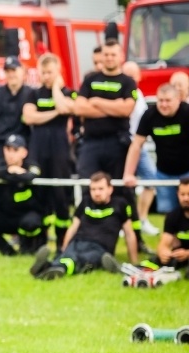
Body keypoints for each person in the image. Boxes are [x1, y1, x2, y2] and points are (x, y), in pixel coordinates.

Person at [73, 39, 146, 252]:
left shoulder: (127, 82)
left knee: (124, 192)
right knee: (88, 189)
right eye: (106, 54)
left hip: (118, 143)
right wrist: (113, 107)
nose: (109, 58)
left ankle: (137, 238)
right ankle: (86, 237)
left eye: (113, 54)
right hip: (91, 144)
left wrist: (96, 102)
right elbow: (79, 108)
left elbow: (126, 110)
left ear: (120, 56)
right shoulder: (90, 79)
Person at [31, 171, 138, 280]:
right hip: (78, 241)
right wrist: (64, 249)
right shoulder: (86, 201)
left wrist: (134, 261)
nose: (96, 193)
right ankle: (47, 267)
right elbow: (73, 227)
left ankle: (53, 268)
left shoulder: (120, 204)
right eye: (93, 189)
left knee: (81, 259)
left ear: (110, 189)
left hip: (100, 248)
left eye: (101, 189)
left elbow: (129, 233)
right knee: (67, 255)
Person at [21, 53, 76, 249]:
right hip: (38, 149)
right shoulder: (33, 94)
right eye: (43, 73)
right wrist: (54, 113)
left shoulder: (67, 92)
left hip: (59, 150)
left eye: (50, 72)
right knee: (39, 193)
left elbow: (65, 108)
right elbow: (29, 118)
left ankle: (62, 241)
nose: (46, 76)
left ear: (58, 71)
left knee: (60, 195)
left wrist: (56, 88)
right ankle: (40, 240)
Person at [123, 83, 189, 218]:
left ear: (178, 99)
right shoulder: (150, 115)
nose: (164, 105)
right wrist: (128, 174)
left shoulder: (186, 112)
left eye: (168, 101)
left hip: (187, 171)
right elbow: (136, 145)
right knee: (169, 214)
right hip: (164, 172)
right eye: (160, 100)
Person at [0, 134, 46, 255]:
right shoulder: (1, 164)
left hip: (25, 214)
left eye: (15, 150)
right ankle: (6, 248)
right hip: (4, 214)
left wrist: (14, 175)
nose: (10, 154)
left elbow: (31, 175)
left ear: (24, 152)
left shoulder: (31, 164)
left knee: (31, 223)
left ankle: (27, 247)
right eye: (8, 149)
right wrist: (9, 171)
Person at [121, 61, 160, 236]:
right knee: (125, 185)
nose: (130, 78)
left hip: (139, 146)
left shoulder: (140, 94)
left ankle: (142, 218)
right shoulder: (120, 94)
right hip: (123, 146)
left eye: (132, 75)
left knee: (151, 179)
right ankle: (124, 223)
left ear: (139, 76)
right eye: (126, 74)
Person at [146, 177, 189, 272]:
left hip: (186, 253)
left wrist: (187, 253)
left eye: (188, 194)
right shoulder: (173, 216)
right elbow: (164, 243)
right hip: (179, 254)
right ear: (177, 194)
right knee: (153, 262)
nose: (186, 198)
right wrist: (163, 252)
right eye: (182, 194)